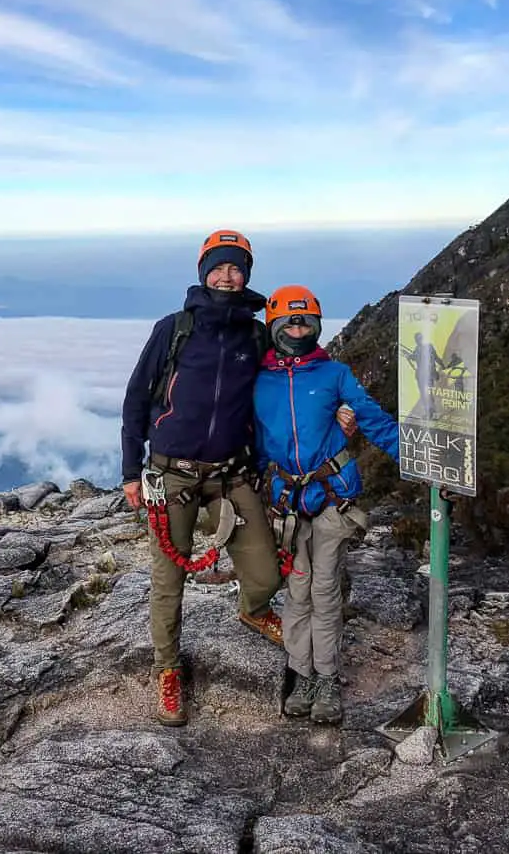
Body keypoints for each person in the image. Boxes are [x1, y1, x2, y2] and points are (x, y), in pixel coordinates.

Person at [121, 230, 284, 727]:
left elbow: (280, 393)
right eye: (219, 267)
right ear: (203, 272)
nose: (227, 276)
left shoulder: (255, 336)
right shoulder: (174, 330)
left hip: (232, 475)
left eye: (236, 268)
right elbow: (134, 401)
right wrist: (132, 471)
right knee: (168, 580)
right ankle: (167, 669)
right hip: (171, 476)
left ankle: (253, 608)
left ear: (247, 274)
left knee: (266, 575)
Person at [253, 285, 399, 724]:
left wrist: (422, 464)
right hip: (288, 505)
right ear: (274, 327)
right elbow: (254, 442)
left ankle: (327, 677)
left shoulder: (334, 374)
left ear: (316, 327)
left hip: (333, 499)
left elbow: (375, 421)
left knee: (324, 588)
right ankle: (301, 674)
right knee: (298, 592)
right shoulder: (259, 382)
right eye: (289, 322)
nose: (297, 329)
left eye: (305, 322)